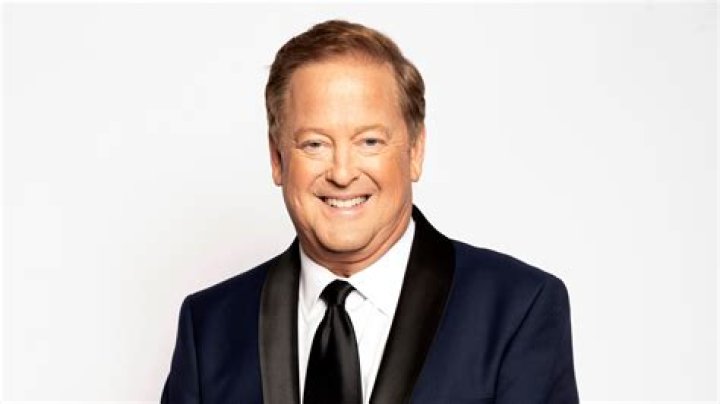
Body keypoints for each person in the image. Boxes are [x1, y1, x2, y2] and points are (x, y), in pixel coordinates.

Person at [161, 19, 579, 404]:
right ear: (277, 158)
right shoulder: (209, 327)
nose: (342, 173)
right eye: (314, 144)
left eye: (370, 142)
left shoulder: (517, 309)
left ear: (415, 151)